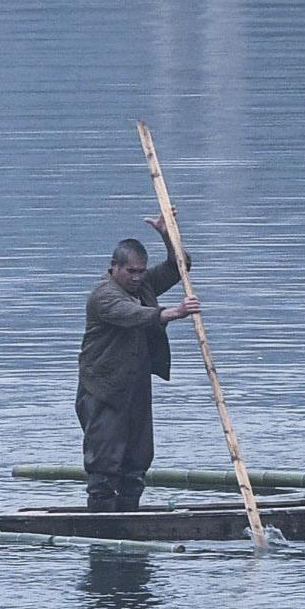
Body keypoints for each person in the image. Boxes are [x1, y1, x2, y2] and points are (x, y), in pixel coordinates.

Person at [77, 218, 199, 511]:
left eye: (141, 272)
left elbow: (179, 265)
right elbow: (134, 314)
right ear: (114, 268)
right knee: (105, 461)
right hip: (104, 389)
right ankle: (102, 518)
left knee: (137, 459)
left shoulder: (143, 286)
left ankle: (130, 512)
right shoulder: (103, 296)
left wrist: (168, 236)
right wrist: (174, 312)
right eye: (131, 271)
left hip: (136, 386)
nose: (137, 277)